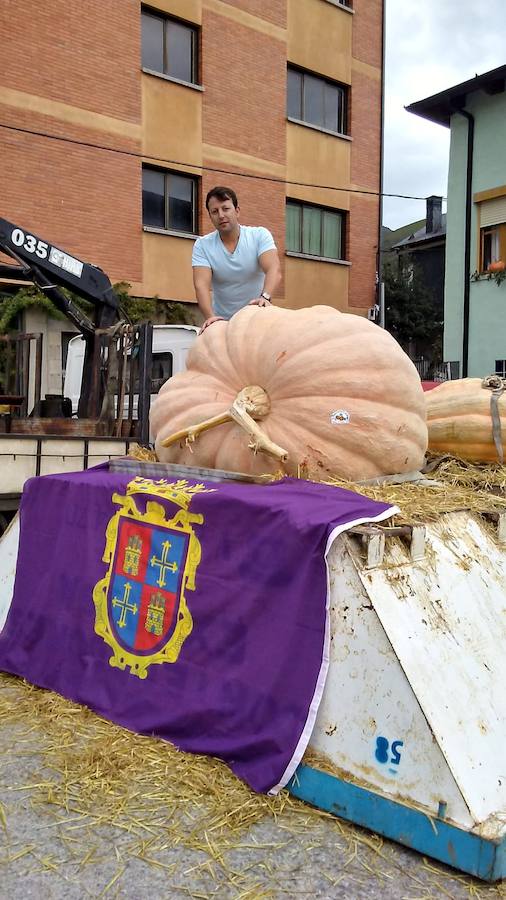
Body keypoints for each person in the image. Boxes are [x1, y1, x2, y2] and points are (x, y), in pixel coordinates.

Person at [192, 186, 282, 331]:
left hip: (258, 319)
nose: (221, 215)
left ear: (237, 211)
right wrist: (210, 317)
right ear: (210, 217)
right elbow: (201, 285)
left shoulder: (259, 235)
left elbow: (274, 269)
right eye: (215, 211)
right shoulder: (202, 245)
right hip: (223, 324)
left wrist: (265, 297)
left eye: (225, 209)